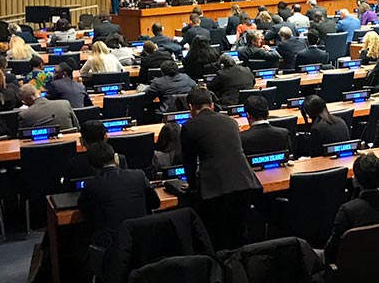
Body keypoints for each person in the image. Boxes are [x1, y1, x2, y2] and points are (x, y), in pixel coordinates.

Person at [180, 87, 261, 249]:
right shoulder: (231, 122)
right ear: (211, 105)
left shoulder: (189, 127)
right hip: (245, 183)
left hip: (216, 190)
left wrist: (193, 186)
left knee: (218, 239)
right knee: (240, 235)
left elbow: (189, 164)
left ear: (190, 108)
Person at [77, 141, 160, 250]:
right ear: (116, 158)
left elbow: (84, 210)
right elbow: (155, 203)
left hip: (111, 248)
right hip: (144, 242)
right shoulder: (139, 175)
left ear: (92, 167)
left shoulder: (92, 185)